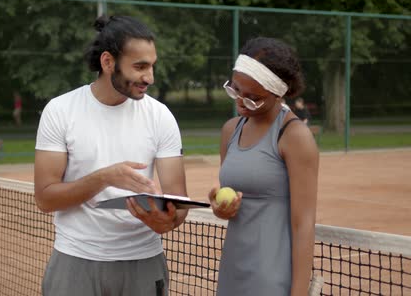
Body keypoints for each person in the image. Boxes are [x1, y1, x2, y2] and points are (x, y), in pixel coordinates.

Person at [34, 15, 188, 296]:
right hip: (75, 261)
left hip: (144, 262)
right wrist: (106, 177)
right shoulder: (60, 111)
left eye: (152, 66)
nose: (149, 78)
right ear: (108, 62)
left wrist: (168, 220)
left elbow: (179, 203)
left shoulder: (161, 116)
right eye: (140, 66)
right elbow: (45, 198)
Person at [208, 37, 319, 296]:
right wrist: (222, 210)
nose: (240, 102)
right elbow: (235, 203)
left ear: (278, 93)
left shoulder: (294, 136)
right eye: (235, 90)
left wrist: (299, 293)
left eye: (253, 98)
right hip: (232, 269)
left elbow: (304, 223)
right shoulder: (230, 131)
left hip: (272, 277)